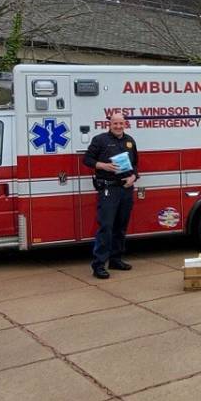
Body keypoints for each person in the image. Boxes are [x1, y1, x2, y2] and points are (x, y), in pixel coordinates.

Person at [83, 113, 138, 279]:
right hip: (108, 189)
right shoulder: (100, 140)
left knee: (120, 227)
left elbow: (135, 164)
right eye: (115, 123)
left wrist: (133, 177)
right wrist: (104, 166)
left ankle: (116, 259)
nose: (118, 126)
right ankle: (99, 265)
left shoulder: (130, 141)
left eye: (121, 123)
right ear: (110, 124)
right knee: (106, 227)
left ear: (125, 124)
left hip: (126, 188)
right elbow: (87, 159)